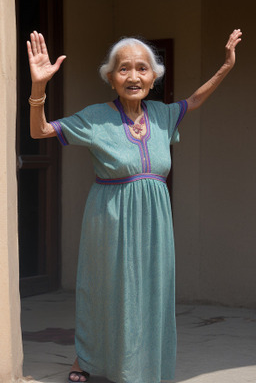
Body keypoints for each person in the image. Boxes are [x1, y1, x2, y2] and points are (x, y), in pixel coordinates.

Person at [27, 29, 242, 383]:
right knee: (104, 291)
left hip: (156, 220)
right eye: (123, 69)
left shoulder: (162, 115)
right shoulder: (96, 117)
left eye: (142, 68)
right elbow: (40, 132)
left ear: (153, 77)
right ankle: (87, 358)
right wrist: (39, 88)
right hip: (109, 218)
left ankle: (139, 362)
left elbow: (195, 100)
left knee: (151, 291)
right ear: (111, 78)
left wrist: (226, 66)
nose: (133, 76)